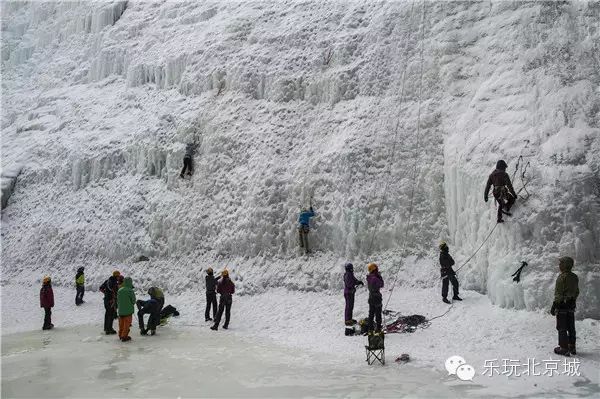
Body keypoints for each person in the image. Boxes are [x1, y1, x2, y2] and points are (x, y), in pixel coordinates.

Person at [550, 257, 579, 356]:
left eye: (561, 263)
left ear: (565, 265)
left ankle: (563, 347)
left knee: (562, 327)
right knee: (571, 326)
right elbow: (576, 292)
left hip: (562, 305)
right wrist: (573, 300)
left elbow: (559, 293)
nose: (559, 265)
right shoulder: (574, 277)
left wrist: (555, 305)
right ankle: (572, 346)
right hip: (571, 305)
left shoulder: (561, 277)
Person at [99, 271, 120, 335]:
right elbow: (115, 292)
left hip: (106, 300)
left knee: (107, 314)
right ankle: (109, 329)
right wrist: (113, 298)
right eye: (118, 276)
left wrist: (106, 294)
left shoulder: (107, 280)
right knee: (111, 314)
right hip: (111, 301)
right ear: (116, 276)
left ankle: (106, 328)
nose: (119, 277)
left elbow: (101, 288)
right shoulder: (114, 282)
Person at [366, 263, 384, 333]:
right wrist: (379, 277)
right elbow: (382, 284)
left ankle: (370, 329)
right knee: (378, 314)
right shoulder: (375, 278)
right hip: (376, 298)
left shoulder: (369, 277)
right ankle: (378, 329)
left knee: (371, 314)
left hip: (371, 297)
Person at [117, 277, 136, 342]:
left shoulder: (119, 290)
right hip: (128, 311)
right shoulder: (130, 291)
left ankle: (120, 335)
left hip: (120, 311)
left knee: (121, 324)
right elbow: (133, 301)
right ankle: (124, 336)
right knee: (126, 324)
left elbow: (118, 301)